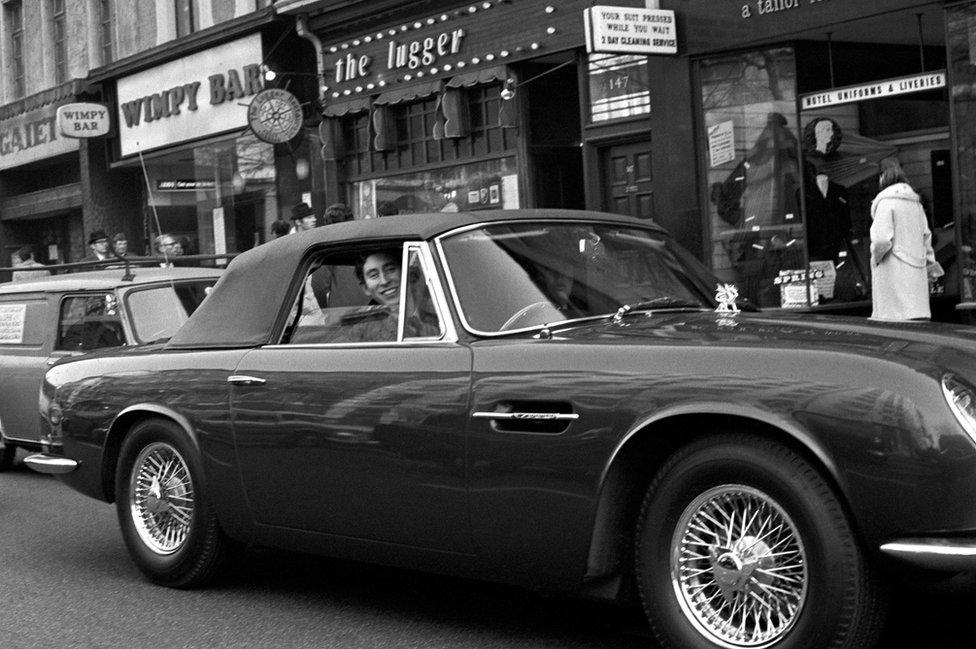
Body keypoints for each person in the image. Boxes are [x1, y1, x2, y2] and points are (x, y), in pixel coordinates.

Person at [869, 159, 940, 321]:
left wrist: (876, 259)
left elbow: (881, 240)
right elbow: (926, 240)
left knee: (895, 332)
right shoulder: (917, 205)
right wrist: (930, 267)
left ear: (883, 179)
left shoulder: (886, 203)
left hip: (894, 280)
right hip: (917, 284)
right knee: (917, 330)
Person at [345, 250, 439, 341]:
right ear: (365, 288)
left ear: (406, 272)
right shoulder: (361, 330)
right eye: (374, 275)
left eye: (390, 270)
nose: (384, 281)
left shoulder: (440, 310)